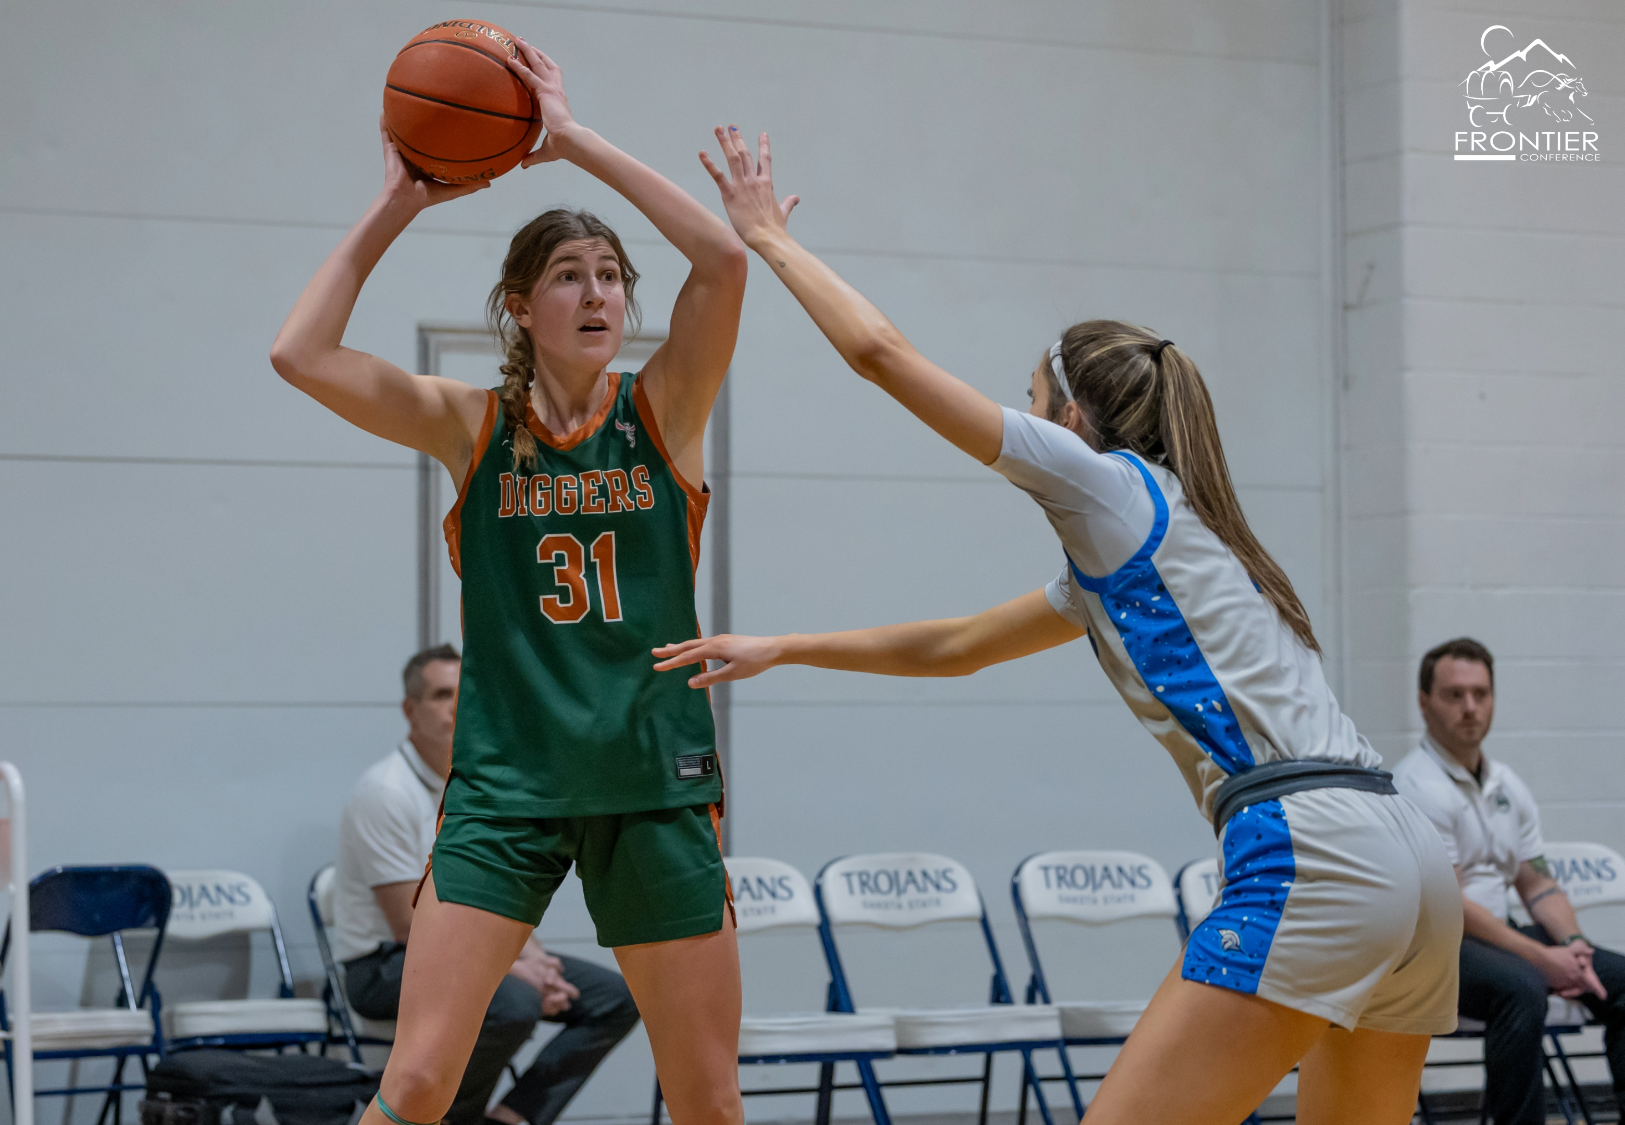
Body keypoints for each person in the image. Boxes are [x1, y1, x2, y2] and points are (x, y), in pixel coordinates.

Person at [654, 127, 1462, 1125]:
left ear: (1069, 418)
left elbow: (878, 354)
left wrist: (768, 240)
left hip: (1313, 849)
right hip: (1407, 858)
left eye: (1031, 401)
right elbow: (953, 647)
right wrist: (785, 646)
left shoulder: (1103, 487)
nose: (1021, 414)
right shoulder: (1175, 536)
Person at [269, 40, 749, 1125]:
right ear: (521, 307)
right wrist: (400, 199)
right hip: (504, 791)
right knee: (421, 1080)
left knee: (708, 1096)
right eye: (570, 276)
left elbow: (721, 262)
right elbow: (300, 354)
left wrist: (567, 137)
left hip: (652, 781)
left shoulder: (662, 412)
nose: (597, 293)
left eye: (611, 275)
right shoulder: (469, 425)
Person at [334, 645, 641, 1125]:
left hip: (468, 946)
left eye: (465, 693)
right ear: (409, 710)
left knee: (614, 997)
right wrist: (516, 972)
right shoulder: (385, 792)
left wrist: (537, 962)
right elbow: (406, 924)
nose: (457, 705)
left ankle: (510, 1119)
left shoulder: (481, 784)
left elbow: (505, 893)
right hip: (383, 965)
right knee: (512, 1000)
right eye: (441, 694)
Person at [1392, 637, 1624, 1125]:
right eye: (1455, 695)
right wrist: (1542, 960)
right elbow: (1450, 906)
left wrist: (1573, 947)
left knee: (1619, 979)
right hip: (1435, 950)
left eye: (1481, 693)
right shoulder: (1417, 785)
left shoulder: (1507, 786)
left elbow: (1537, 884)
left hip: (1498, 937)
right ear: (1424, 703)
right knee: (1521, 987)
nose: (1470, 708)